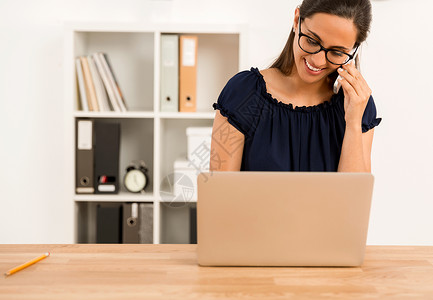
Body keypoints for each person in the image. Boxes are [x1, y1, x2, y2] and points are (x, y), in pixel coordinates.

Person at [210, 0, 382, 172]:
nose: (318, 61)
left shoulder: (358, 104)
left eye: (337, 52)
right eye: (312, 41)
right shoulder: (244, 94)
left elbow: (353, 196)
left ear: (354, 50)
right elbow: (219, 192)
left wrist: (353, 122)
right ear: (296, 20)